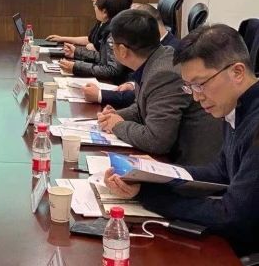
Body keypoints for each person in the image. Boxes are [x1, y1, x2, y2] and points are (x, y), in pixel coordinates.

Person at [104, 24, 259, 256]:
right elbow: (220, 172)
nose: (196, 97)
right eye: (190, 87)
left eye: (200, 84)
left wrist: (147, 196)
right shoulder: (236, 106)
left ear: (237, 72)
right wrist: (154, 176)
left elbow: (232, 215)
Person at [97, 10, 222, 164]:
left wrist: (117, 125)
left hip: (189, 165)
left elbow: (156, 141)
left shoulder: (163, 74)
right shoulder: (156, 58)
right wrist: (115, 115)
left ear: (123, 50)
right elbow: (143, 107)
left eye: (112, 44)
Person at [83, 3, 180, 107]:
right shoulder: (150, 51)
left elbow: (149, 105)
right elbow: (139, 105)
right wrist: (131, 84)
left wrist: (100, 95)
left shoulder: (170, 58)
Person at [58, 0, 132, 84]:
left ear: (104, 12)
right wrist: (76, 52)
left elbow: (113, 70)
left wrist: (77, 67)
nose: (94, 7)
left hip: (116, 86)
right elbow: (104, 58)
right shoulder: (111, 27)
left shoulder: (114, 33)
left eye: (97, 5)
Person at [47, 0, 120, 50]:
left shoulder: (116, 23)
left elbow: (106, 49)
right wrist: (62, 39)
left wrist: (94, 48)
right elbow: (90, 40)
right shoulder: (101, 19)